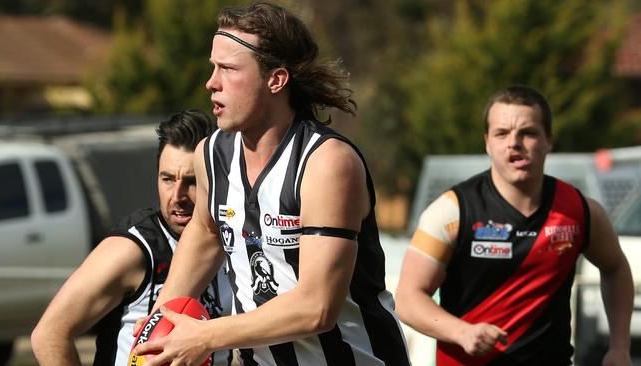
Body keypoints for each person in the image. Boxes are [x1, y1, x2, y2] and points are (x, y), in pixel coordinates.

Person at [131, 3, 410, 366]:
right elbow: (205, 235)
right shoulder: (212, 154)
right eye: (213, 67)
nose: (211, 83)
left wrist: (205, 335)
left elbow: (317, 308)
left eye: (228, 69)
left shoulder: (326, 163)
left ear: (276, 80)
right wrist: (161, 324)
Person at [395, 85, 634, 365]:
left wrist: (620, 348)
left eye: (528, 133)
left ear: (548, 141)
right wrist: (461, 332)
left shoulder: (580, 211)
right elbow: (408, 299)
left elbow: (615, 267)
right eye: (502, 133)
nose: (514, 142)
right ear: (487, 142)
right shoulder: (451, 211)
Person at [31, 109, 233, 366]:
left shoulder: (233, 238)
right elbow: (49, 335)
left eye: (192, 182)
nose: (178, 196)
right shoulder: (132, 249)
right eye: (168, 179)